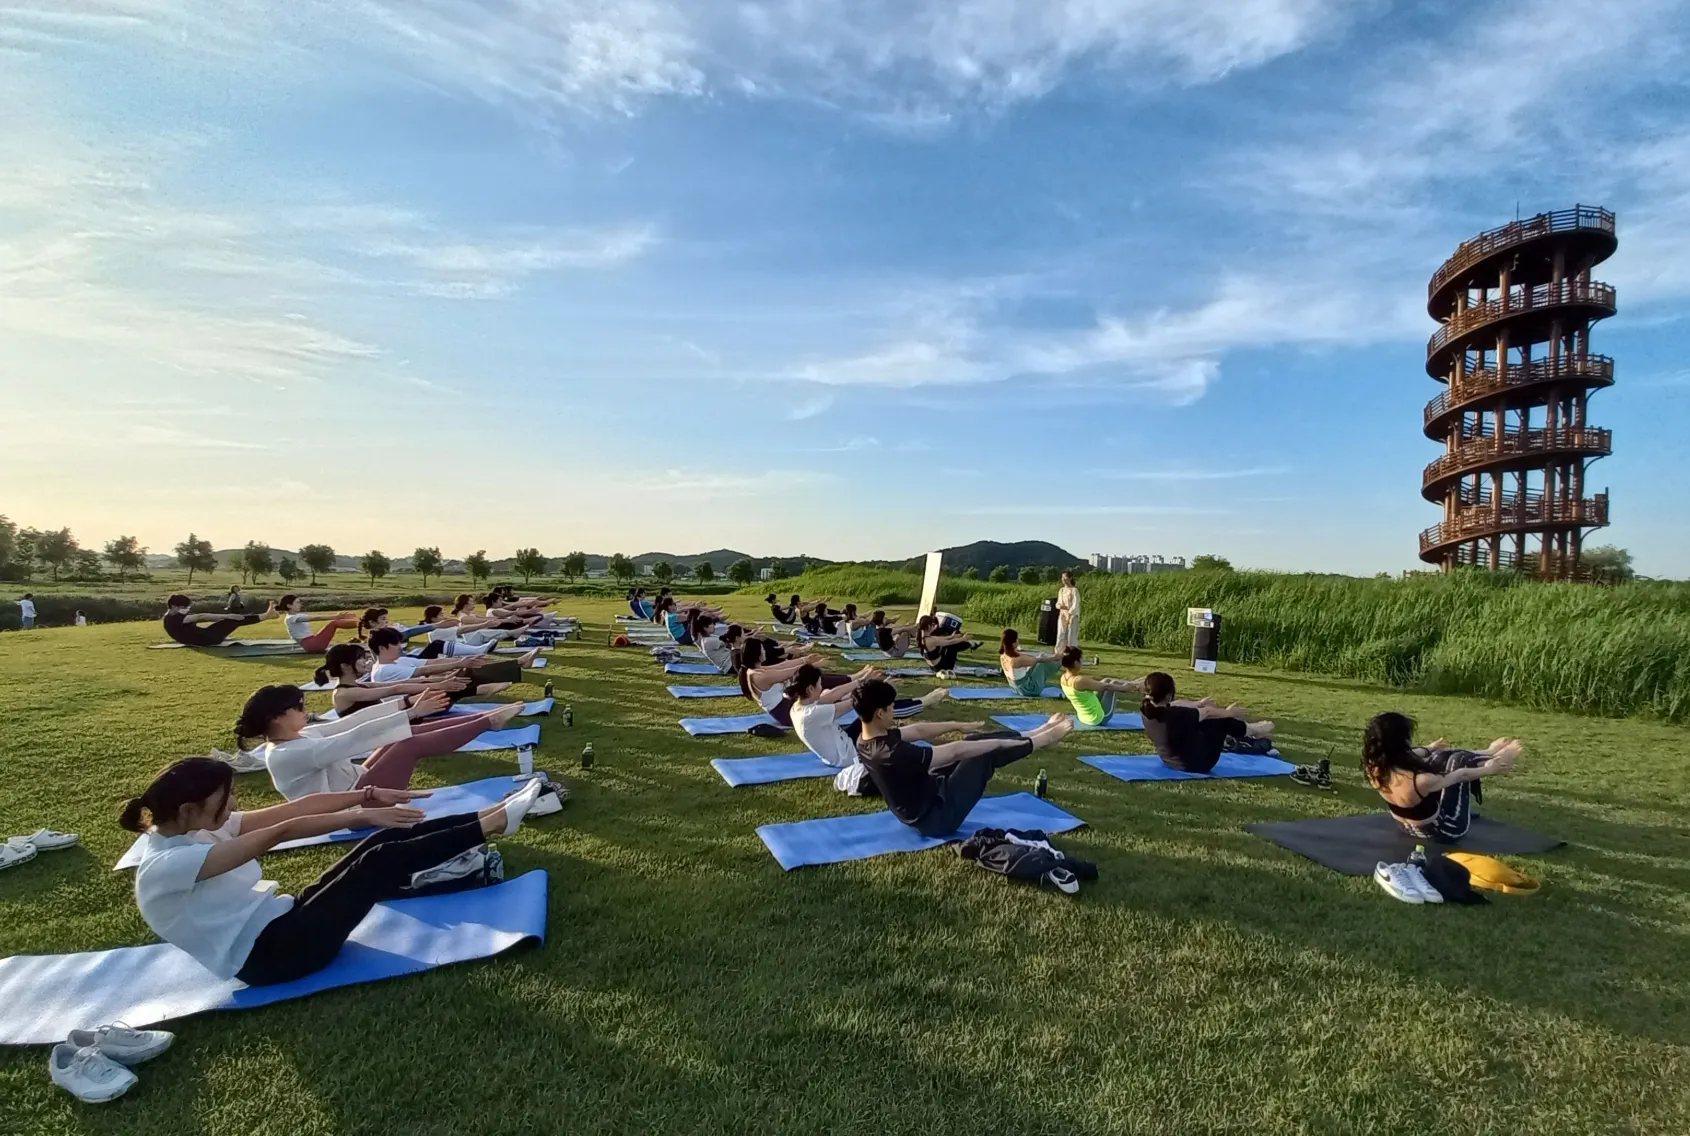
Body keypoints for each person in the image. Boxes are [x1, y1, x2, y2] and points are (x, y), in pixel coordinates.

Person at [122, 755, 555, 985]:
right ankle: (493, 824)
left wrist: (366, 796)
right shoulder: (165, 866)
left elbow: (297, 808)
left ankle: (490, 816)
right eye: (225, 796)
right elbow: (282, 830)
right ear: (187, 809)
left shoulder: (193, 831)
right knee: (377, 863)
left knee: (378, 844)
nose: (234, 803)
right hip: (275, 957)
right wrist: (360, 815)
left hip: (284, 923)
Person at [853, 679, 1073, 837]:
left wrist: (956, 725)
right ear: (880, 713)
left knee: (973, 742)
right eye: (891, 707)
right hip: (936, 819)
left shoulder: (865, 738)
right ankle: (1042, 739)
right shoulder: (891, 753)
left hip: (927, 795)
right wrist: (999, 744)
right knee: (981, 752)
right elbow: (954, 752)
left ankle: (1034, 734)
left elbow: (918, 730)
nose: (894, 711)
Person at [236, 684, 525, 799]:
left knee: (402, 736)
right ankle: (488, 722)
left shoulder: (298, 737)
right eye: (299, 707)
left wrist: (405, 703)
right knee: (407, 744)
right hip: (352, 808)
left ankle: (484, 718)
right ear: (276, 718)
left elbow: (350, 723)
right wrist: (412, 713)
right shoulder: (289, 754)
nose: (305, 711)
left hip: (358, 785)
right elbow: (354, 738)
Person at [1362, 712, 1521, 841]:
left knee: (1439, 755)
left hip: (1405, 826)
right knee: (1459, 760)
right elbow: (1461, 775)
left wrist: (1430, 748)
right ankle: (1497, 758)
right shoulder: (1421, 780)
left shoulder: (1373, 767)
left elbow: (1408, 755)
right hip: (1445, 831)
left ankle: (1488, 753)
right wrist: (1489, 770)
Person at [789, 664, 948, 771]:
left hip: (843, 741)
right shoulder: (810, 715)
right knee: (876, 707)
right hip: (848, 754)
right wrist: (878, 688)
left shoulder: (798, 706)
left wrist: (863, 680)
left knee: (875, 708)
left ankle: (921, 702)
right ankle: (925, 702)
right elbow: (856, 702)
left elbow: (834, 694)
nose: (821, 687)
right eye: (819, 684)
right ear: (810, 689)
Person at [1137, 669, 1274, 773]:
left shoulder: (1148, 709)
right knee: (1219, 721)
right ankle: (1255, 730)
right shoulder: (1175, 715)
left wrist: (1198, 703)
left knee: (1207, 719)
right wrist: (1229, 713)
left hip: (1171, 761)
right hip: (1197, 764)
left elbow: (1176, 704)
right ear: (1167, 696)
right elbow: (1207, 712)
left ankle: (1248, 732)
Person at [314, 642, 471, 716]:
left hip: (385, 725)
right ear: (345, 666)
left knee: (442, 694)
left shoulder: (357, 686)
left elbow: (400, 683)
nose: (365, 662)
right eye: (360, 659)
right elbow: (395, 689)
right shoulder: (345, 693)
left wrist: (439, 682)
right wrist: (439, 686)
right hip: (375, 733)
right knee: (438, 696)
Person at [366, 627, 531, 694]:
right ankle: (482, 688)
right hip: (413, 704)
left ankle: (516, 665)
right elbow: (423, 672)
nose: (400, 647)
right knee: (459, 676)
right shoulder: (384, 670)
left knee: (464, 670)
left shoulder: (398, 661)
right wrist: (457, 664)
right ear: (382, 648)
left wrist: (460, 661)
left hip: (422, 693)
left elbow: (431, 663)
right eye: (395, 644)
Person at [1057, 647, 1146, 727]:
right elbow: (1107, 687)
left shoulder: (1063, 678)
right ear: (1076, 663)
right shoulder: (1079, 680)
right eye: (1081, 659)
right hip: (1097, 718)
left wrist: (1131, 684)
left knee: (1106, 680)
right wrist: (1125, 688)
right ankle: (1137, 686)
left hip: (1084, 717)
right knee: (1111, 686)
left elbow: (1102, 684)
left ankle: (1136, 684)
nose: (1082, 661)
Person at [162, 593, 279, 647]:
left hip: (202, 637)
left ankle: (267, 615)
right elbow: (201, 616)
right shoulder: (174, 619)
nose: (187, 609)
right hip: (206, 640)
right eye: (184, 607)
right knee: (233, 619)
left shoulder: (171, 617)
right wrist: (228, 616)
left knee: (230, 620)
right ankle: (267, 615)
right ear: (174, 606)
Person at [279, 596, 359, 653]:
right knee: (334, 623)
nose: (300, 604)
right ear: (289, 605)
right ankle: (362, 624)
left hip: (312, 643)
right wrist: (335, 617)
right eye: (297, 602)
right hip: (313, 645)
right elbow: (316, 618)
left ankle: (360, 623)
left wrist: (341, 617)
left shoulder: (298, 615)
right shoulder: (290, 618)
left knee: (334, 623)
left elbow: (317, 615)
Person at [999, 629, 1063, 698]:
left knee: (1038, 662)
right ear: (1013, 643)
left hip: (1015, 688)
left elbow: (1029, 659)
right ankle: (1061, 661)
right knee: (1041, 664)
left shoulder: (1003, 655)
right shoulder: (1015, 660)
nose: (1018, 640)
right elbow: (1039, 660)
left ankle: (1060, 660)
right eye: (1017, 639)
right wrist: (1054, 658)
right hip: (1028, 690)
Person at [915, 615, 981, 678]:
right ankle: (950, 667)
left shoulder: (924, 637)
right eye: (933, 625)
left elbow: (942, 638)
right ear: (929, 626)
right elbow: (949, 642)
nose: (935, 626)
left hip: (934, 667)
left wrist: (952, 636)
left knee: (949, 644)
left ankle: (971, 644)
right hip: (940, 666)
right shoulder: (930, 640)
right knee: (951, 646)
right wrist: (963, 639)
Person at [1055, 571, 1080, 650]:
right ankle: (1059, 652)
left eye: (1065, 577)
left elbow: (1075, 604)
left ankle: (1072, 652)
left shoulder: (1074, 590)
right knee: (1061, 633)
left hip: (1072, 615)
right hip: (1062, 614)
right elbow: (1058, 603)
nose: (1063, 579)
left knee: (1071, 635)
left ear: (1070, 578)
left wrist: (1070, 614)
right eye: (1062, 577)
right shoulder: (1061, 590)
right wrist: (1059, 606)